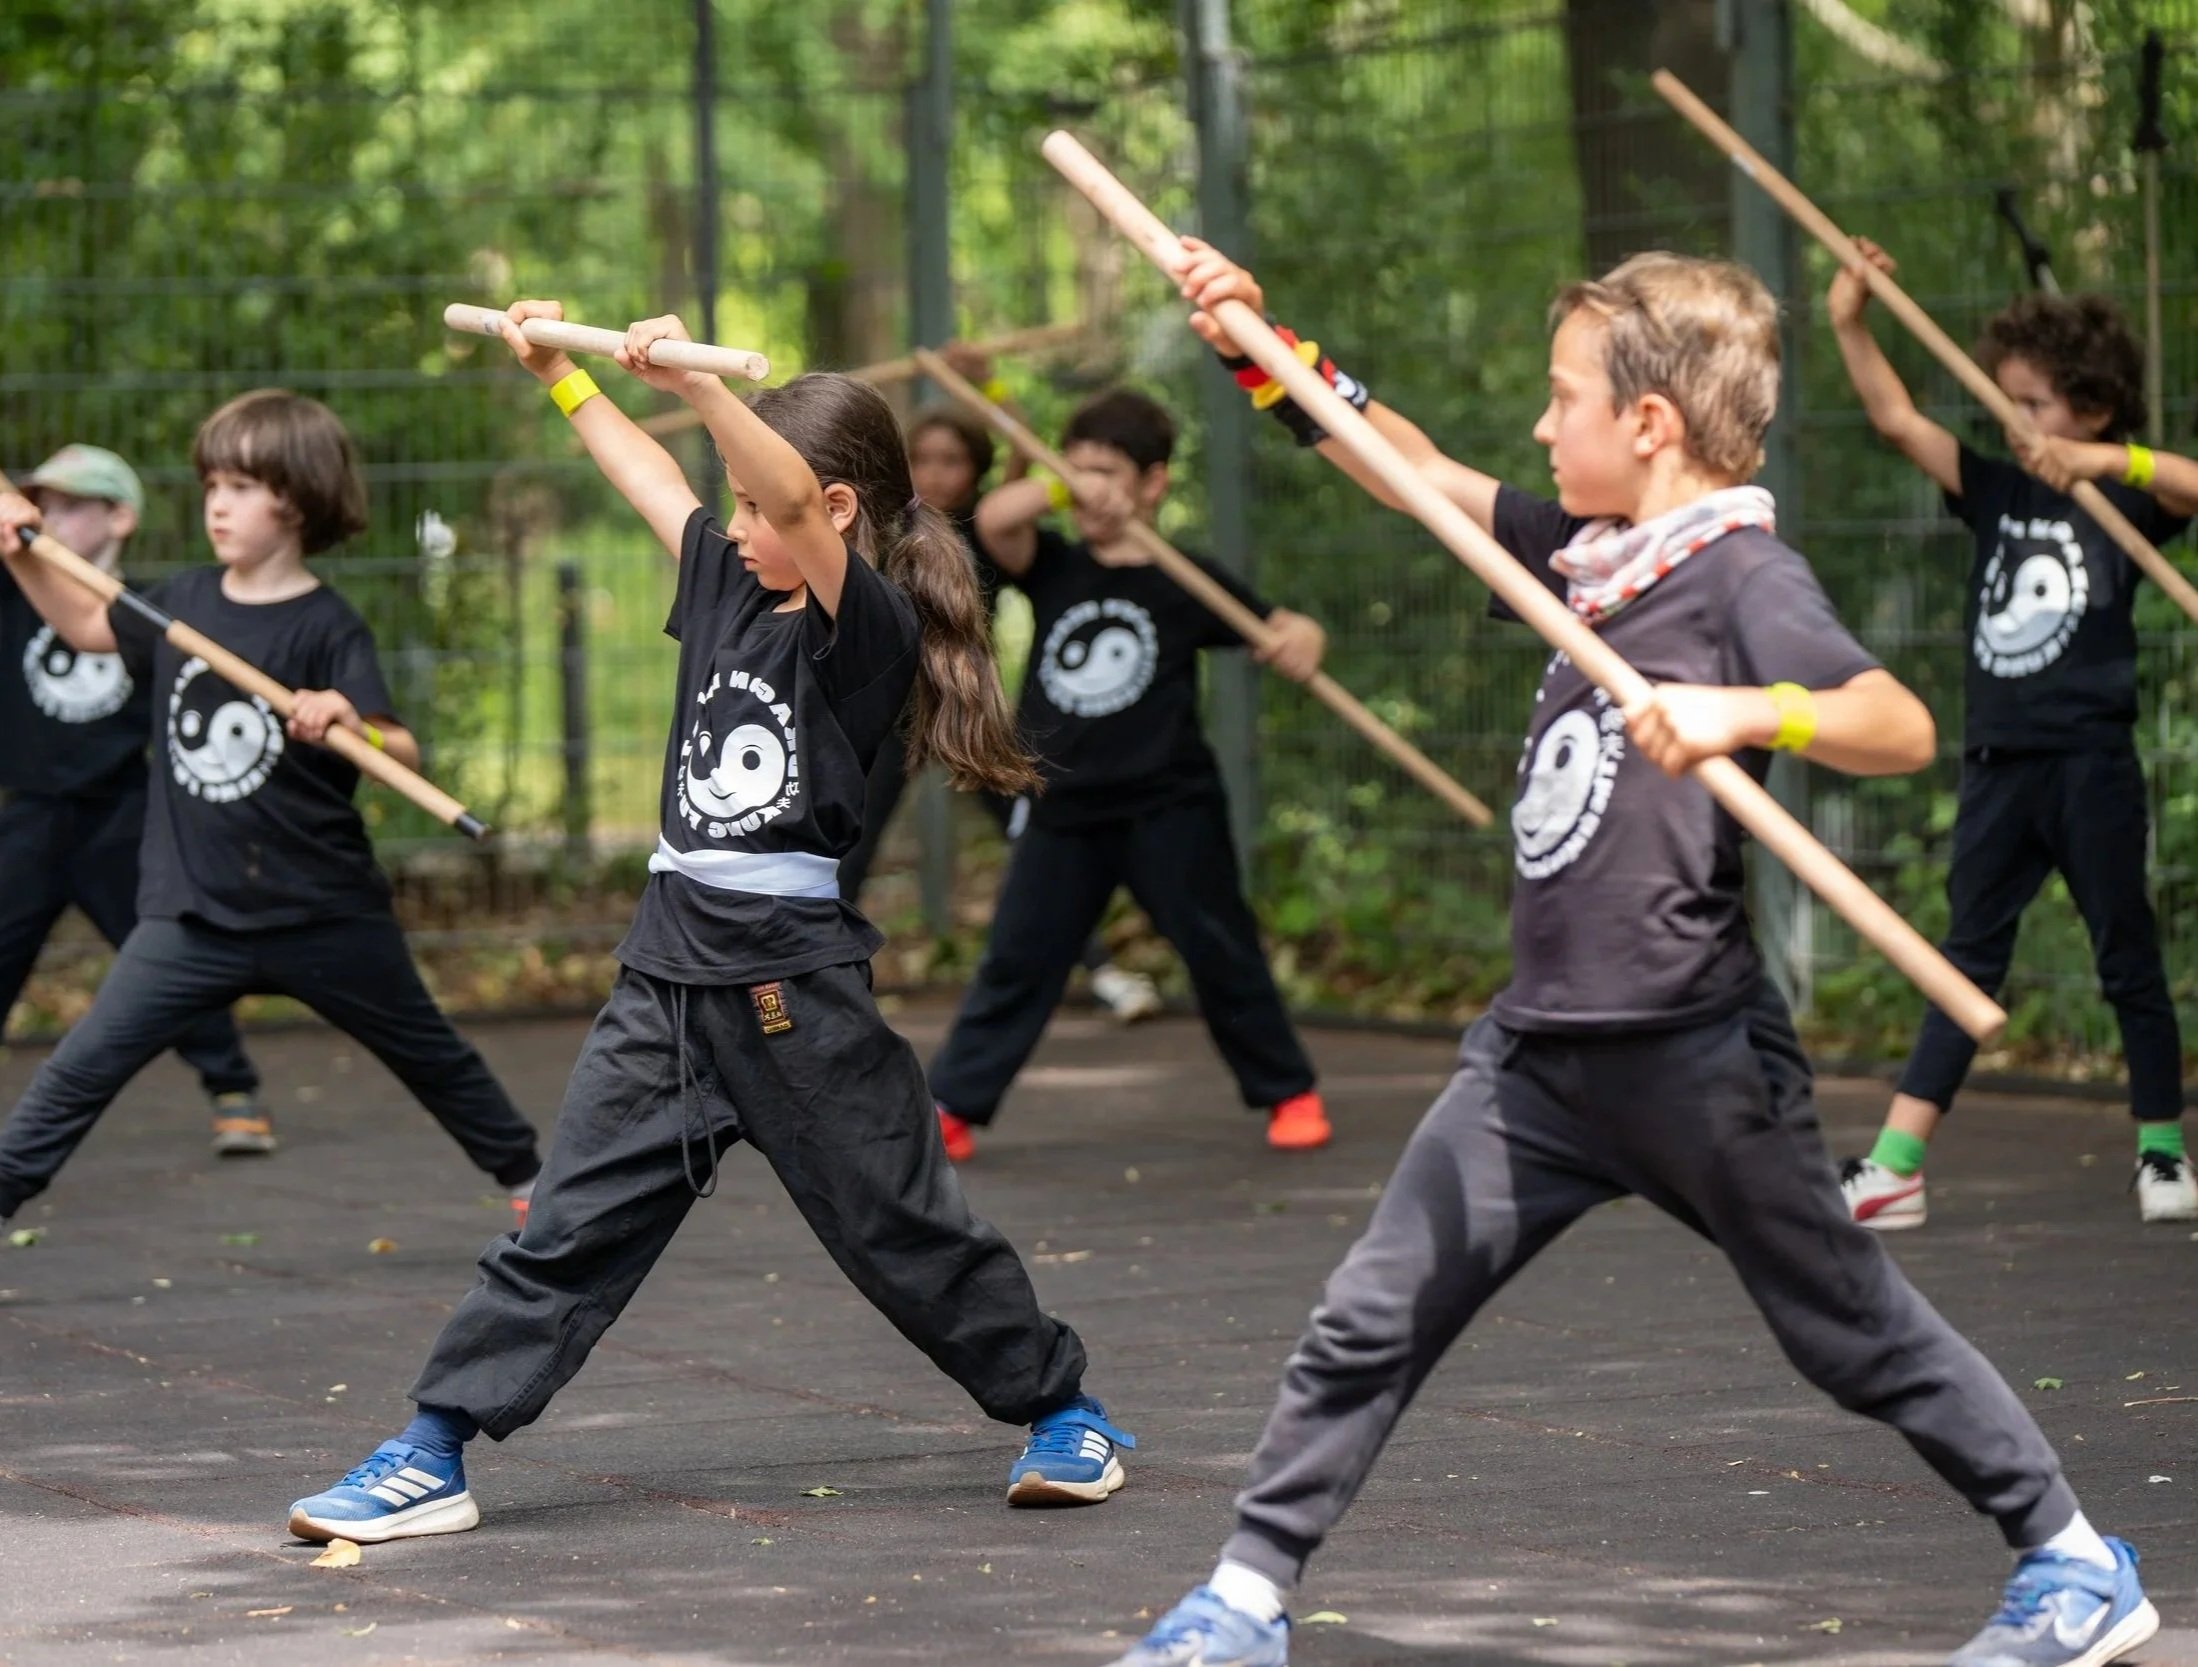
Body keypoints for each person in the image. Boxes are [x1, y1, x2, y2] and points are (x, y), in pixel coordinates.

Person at [1090, 240, 2160, 1667]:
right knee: (1370, 1311)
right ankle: (1242, 1598)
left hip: (1693, 1053)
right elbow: (1398, 463)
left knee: (1848, 1326)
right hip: (1534, 1056)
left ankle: (2074, 1562)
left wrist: (1745, 714)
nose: (1539, 429)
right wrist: (1255, 340)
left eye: (1560, 400)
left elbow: (1891, 721)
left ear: (1647, 423)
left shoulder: (1737, 576)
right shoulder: (1578, 552)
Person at [284, 303, 1131, 1546]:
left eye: (746, 502)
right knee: (565, 1223)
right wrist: (561, 377)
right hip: (666, 971)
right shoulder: (725, 581)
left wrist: (705, 391)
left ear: (834, 510)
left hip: (795, 990)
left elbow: (778, 497)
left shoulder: (866, 630)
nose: (730, 523)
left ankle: (1063, 1408)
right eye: (727, 505)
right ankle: (434, 1445)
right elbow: (641, 471)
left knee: (896, 1224)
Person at [0, 392, 543, 1230]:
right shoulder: (178, 604)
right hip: (192, 914)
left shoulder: (327, 626)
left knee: (433, 1056)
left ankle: (534, 1183)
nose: (218, 501)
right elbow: (80, 622)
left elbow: (399, 752)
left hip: (321, 908)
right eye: (213, 481)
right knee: (78, 1071)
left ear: (295, 500)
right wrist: (21, 548)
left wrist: (346, 720)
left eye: (243, 485)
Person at [1828, 239, 2197, 1230]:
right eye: (2005, 399)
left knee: (2126, 954)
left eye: (2031, 404)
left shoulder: (2118, 498)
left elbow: (2189, 482)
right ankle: (1897, 1164)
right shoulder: (1991, 487)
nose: (2012, 419)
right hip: (1998, 766)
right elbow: (1894, 416)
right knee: (1963, 958)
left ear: (2090, 407)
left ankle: (2160, 1150)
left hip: (2089, 763)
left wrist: (2097, 462)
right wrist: (1848, 318)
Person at [925, 387, 1332, 1161]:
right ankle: (954, 1103)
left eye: (1106, 473)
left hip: (1168, 801)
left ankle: (1289, 1091)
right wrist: (1060, 484)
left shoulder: (1188, 580)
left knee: (1220, 947)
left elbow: (1283, 628)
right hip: (1062, 803)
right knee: (1019, 955)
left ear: (1154, 483)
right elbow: (992, 522)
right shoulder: (1053, 564)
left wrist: (1302, 638)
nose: (1089, 490)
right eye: (1074, 473)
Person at [842, 352, 1163, 1025]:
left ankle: (1102, 969)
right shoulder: (888, 525)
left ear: (978, 469)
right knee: (851, 844)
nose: (936, 472)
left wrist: (987, 383)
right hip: (891, 715)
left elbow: (1034, 455)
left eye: (952, 459)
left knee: (1039, 839)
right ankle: (815, 976)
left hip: (966, 715)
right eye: (923, 458)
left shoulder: (989, 527)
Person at [0, 444, 267, 1153]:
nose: (50, 519)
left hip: (122, 813)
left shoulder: (153, 608)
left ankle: (231, 1085)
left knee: (165, 956)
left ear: (119, 517)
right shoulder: (14, 590)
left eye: (68, 506)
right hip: (30, 811)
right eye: (42, 505)